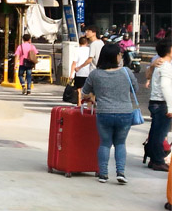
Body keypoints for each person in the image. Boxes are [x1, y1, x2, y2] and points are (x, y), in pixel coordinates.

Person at [81, 43, 139, 184]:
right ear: (115, 57)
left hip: (104, 113)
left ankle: (103, 174)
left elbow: (84, 93)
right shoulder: (126, 72)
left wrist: (92, 98)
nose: (121, 56)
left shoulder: (95, 74)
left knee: (105, 144)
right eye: (119, 54)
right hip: (125, 113)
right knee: (120, 143)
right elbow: (135, 89)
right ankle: (120, 173)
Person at [143, 41, 172, 171]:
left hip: (155, 102)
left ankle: (154, 159)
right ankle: (158, 160)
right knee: (160, 134)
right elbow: (165, 86)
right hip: (162, 103)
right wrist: (171, 106)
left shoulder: (159, 64)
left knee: (155, 133)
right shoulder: (165, 66)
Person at [69, 36, 91, 104]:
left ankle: (79, 104)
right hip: (89, 72)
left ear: (79, 43)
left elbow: (74, 63)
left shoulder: (77, 50)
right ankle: (89, 105)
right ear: (87, 43)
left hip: (79, 72)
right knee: (89, 90)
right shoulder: (90, 50)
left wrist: (71, 74)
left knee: (79, 89)